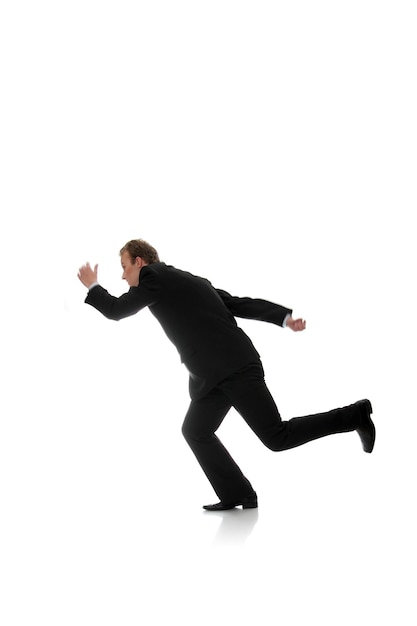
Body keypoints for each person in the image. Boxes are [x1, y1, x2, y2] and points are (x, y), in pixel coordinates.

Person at [77, 239, 375, 511]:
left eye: (124, 266)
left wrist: (93, 286)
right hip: (214, 376)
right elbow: (236, 303)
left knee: (277, 437)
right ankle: (238, 493)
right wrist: (283, 317)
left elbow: (116, 310)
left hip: (235, 369)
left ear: (140, 262)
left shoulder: (155, 278)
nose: (122, 275)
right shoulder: (188, 280)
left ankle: (355, 415)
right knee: (195, 430)